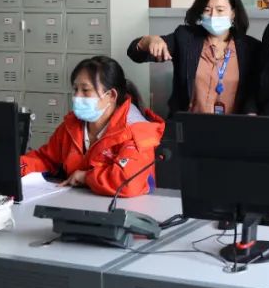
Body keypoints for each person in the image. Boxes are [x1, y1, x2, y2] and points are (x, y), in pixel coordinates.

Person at [20, 56, 164, 197]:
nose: (77, 97)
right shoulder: (72, 126)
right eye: (75, 89)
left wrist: (85, 177)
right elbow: (45, 158)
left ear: (111, 95)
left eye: (85, 90)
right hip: (77, 201)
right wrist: (15, 168)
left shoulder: (136, 130)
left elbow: (128, 183)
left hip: (123, 207)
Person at [127, 0, 260, 117]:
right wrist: (148, 41)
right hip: (187, 125)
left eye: (220, 10)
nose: (213, 16)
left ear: (233, 13)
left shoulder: (251, 48)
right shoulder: (185, 38)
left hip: (234, 126)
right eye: (207, 10)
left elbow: (255, 92)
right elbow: (134, 53)